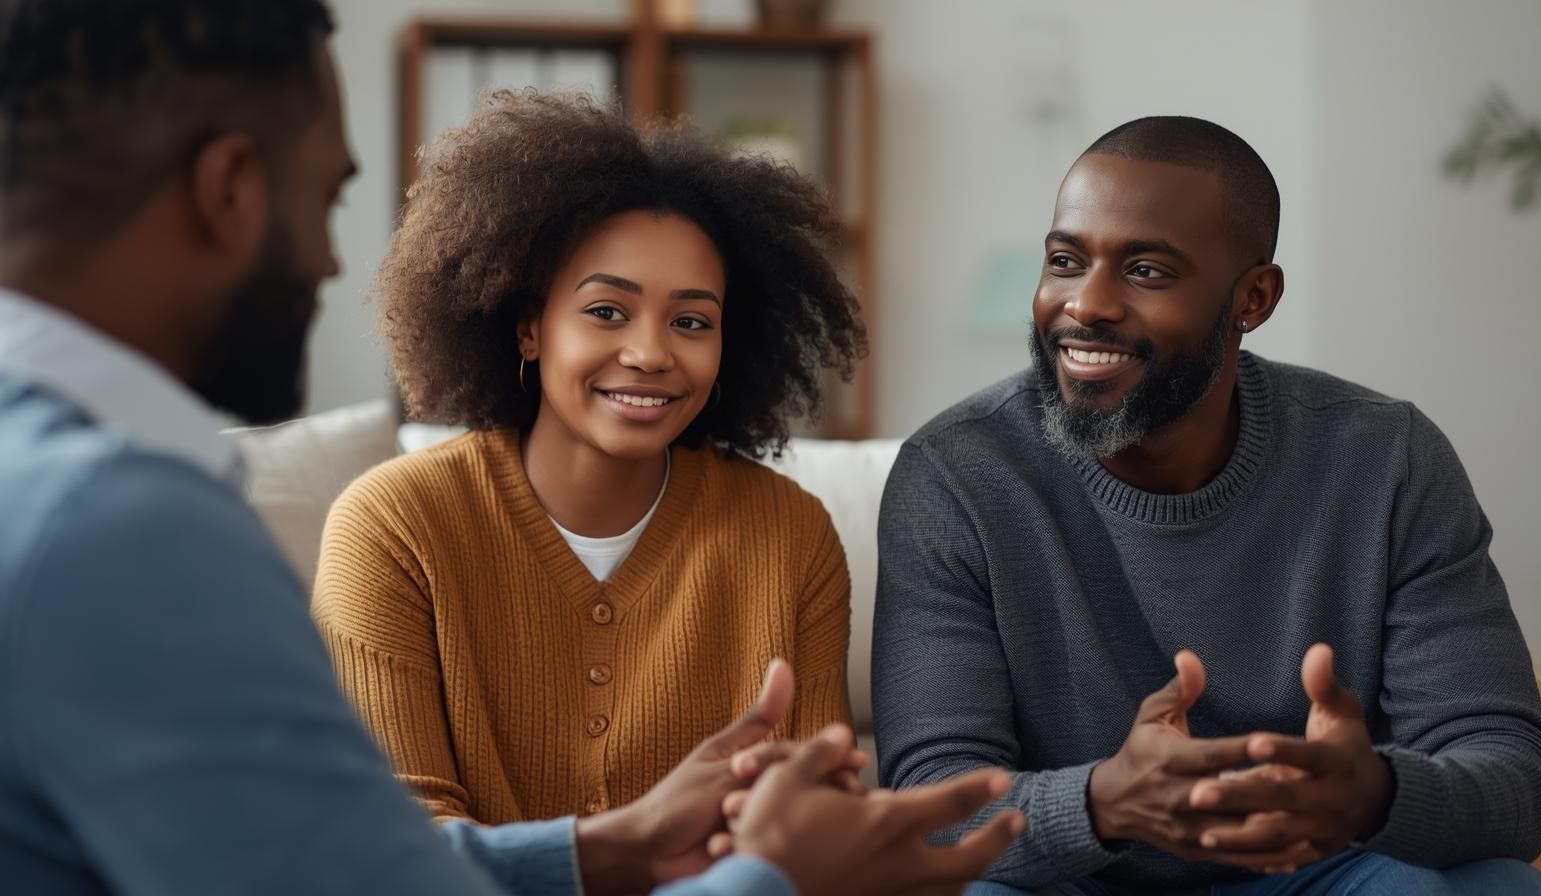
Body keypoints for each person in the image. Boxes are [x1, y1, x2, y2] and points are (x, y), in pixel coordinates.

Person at [0, 2, 1023, 893]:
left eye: (694, 320)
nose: (326, 257)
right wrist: (770, 873)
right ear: (525, 323)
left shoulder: (66, 490)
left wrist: (615, 847)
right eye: (328, 197)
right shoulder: (123, 529)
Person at [871, 115, 1541, 895]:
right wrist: (1107, 802)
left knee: (1506, 888)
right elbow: (929, 803)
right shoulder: (957, 473)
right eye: (1066, 260)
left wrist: (1372, 793)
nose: (1086, 304)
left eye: (1146, 271)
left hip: (1323, 872)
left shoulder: (1386, 459)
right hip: (1066, 881)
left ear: (1253, 298)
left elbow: (1516, 778)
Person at [310, 90, 863, 824]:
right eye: (606, 311)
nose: (650, 353)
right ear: (529, 326)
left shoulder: (791, 538)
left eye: (691, 321)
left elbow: (813, 827)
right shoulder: (392, 529)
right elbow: (395, 843)